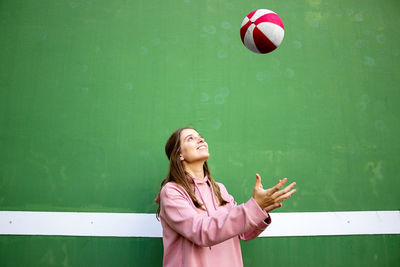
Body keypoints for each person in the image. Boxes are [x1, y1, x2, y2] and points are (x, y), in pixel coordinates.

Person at [155, 127, 296, 267]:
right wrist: (254, 207)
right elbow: (201, 232)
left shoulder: (220, 189)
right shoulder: (171, 192)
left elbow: (243, 233)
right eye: (190, 138)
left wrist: (261, 209)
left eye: (200, 136)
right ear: (179, 154)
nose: (201, 140)